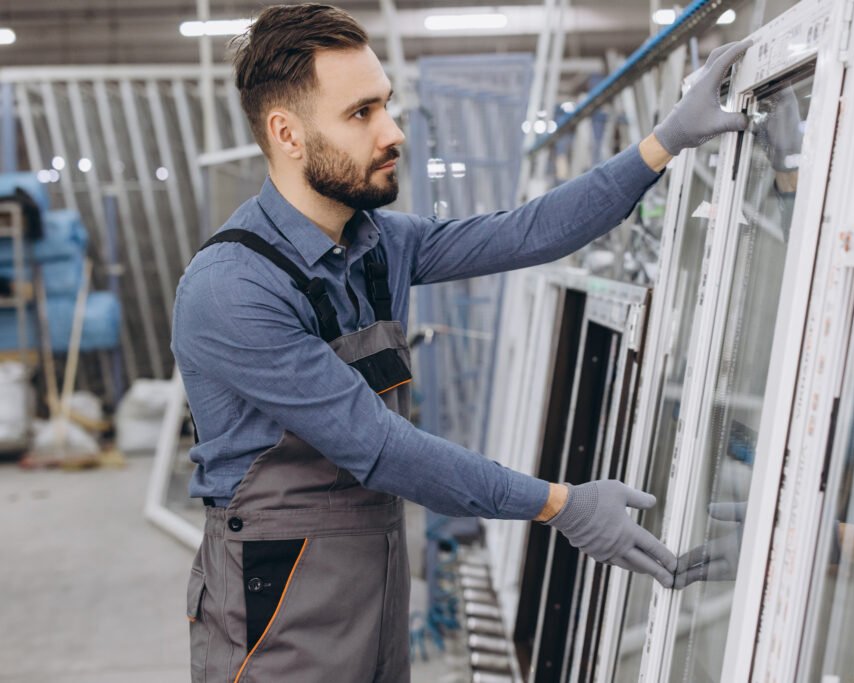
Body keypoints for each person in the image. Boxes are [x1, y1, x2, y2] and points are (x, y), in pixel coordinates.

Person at [172, 4, 751, 681]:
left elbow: (528, 232)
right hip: (275, 605)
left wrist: (664, 142)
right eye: (361, 114)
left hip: (375, 572)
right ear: (287, 134)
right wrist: (560, 504)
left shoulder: (377, 243)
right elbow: (382, 448)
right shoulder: (233, 288)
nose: (392, 132)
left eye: (387, 104)